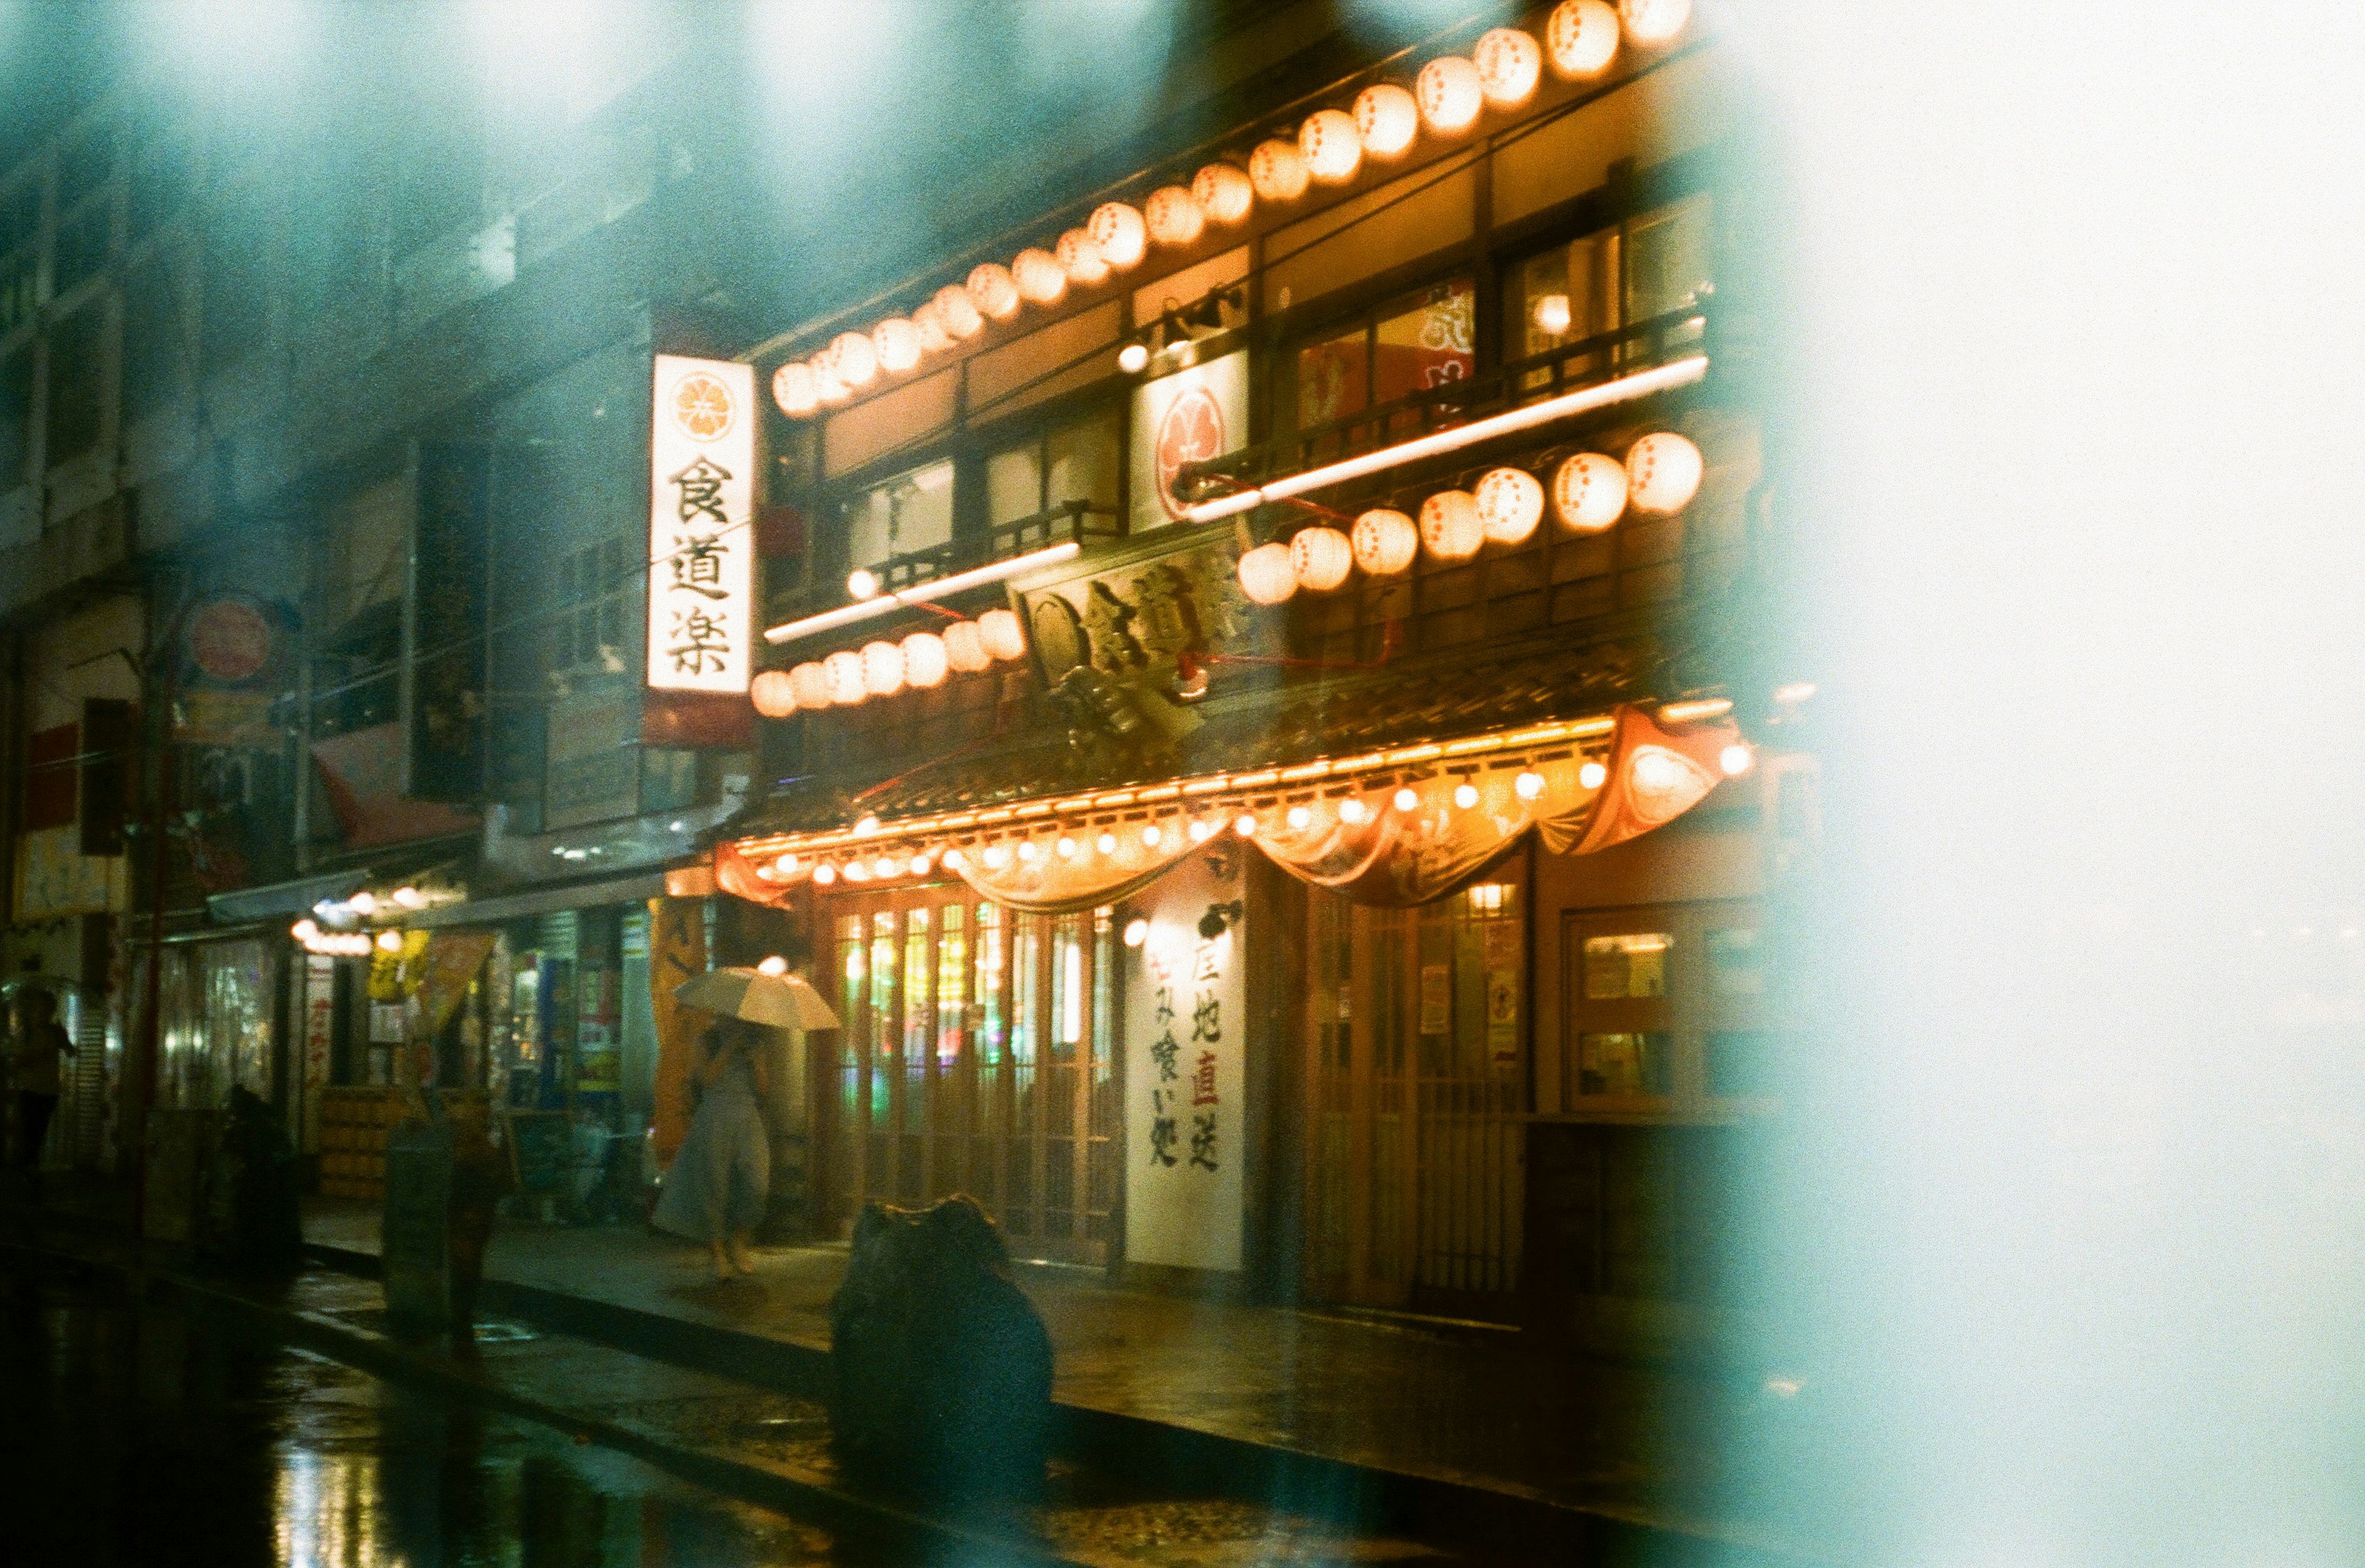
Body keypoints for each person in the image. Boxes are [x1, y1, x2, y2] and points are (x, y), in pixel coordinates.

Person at [651, 1014, 772, 1280]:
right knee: (713, 1184)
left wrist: (755, 1063)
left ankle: (738, 1240)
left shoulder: (754, 1043)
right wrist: (727, 1049)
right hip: (715, 1112)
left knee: (757, 1182)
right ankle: (717, 1251)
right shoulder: (706, 1040)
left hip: (746, 1114)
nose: (732, 1021)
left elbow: (763, 1089)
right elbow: (705, 1080)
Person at [8, 986, 72, 1176]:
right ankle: (30, 1163)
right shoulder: (24, 1033)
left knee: (40, 1128)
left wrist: (65, 1041)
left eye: (47, 1009)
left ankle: (31, 1163)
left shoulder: (55, 1032)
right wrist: (36, 1056)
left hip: (49, 1090)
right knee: (30, 1128)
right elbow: (16, 1062)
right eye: (40, 1009)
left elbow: (71, 1051)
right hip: (29, 1088)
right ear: (33, 1011)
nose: (43, 1013)